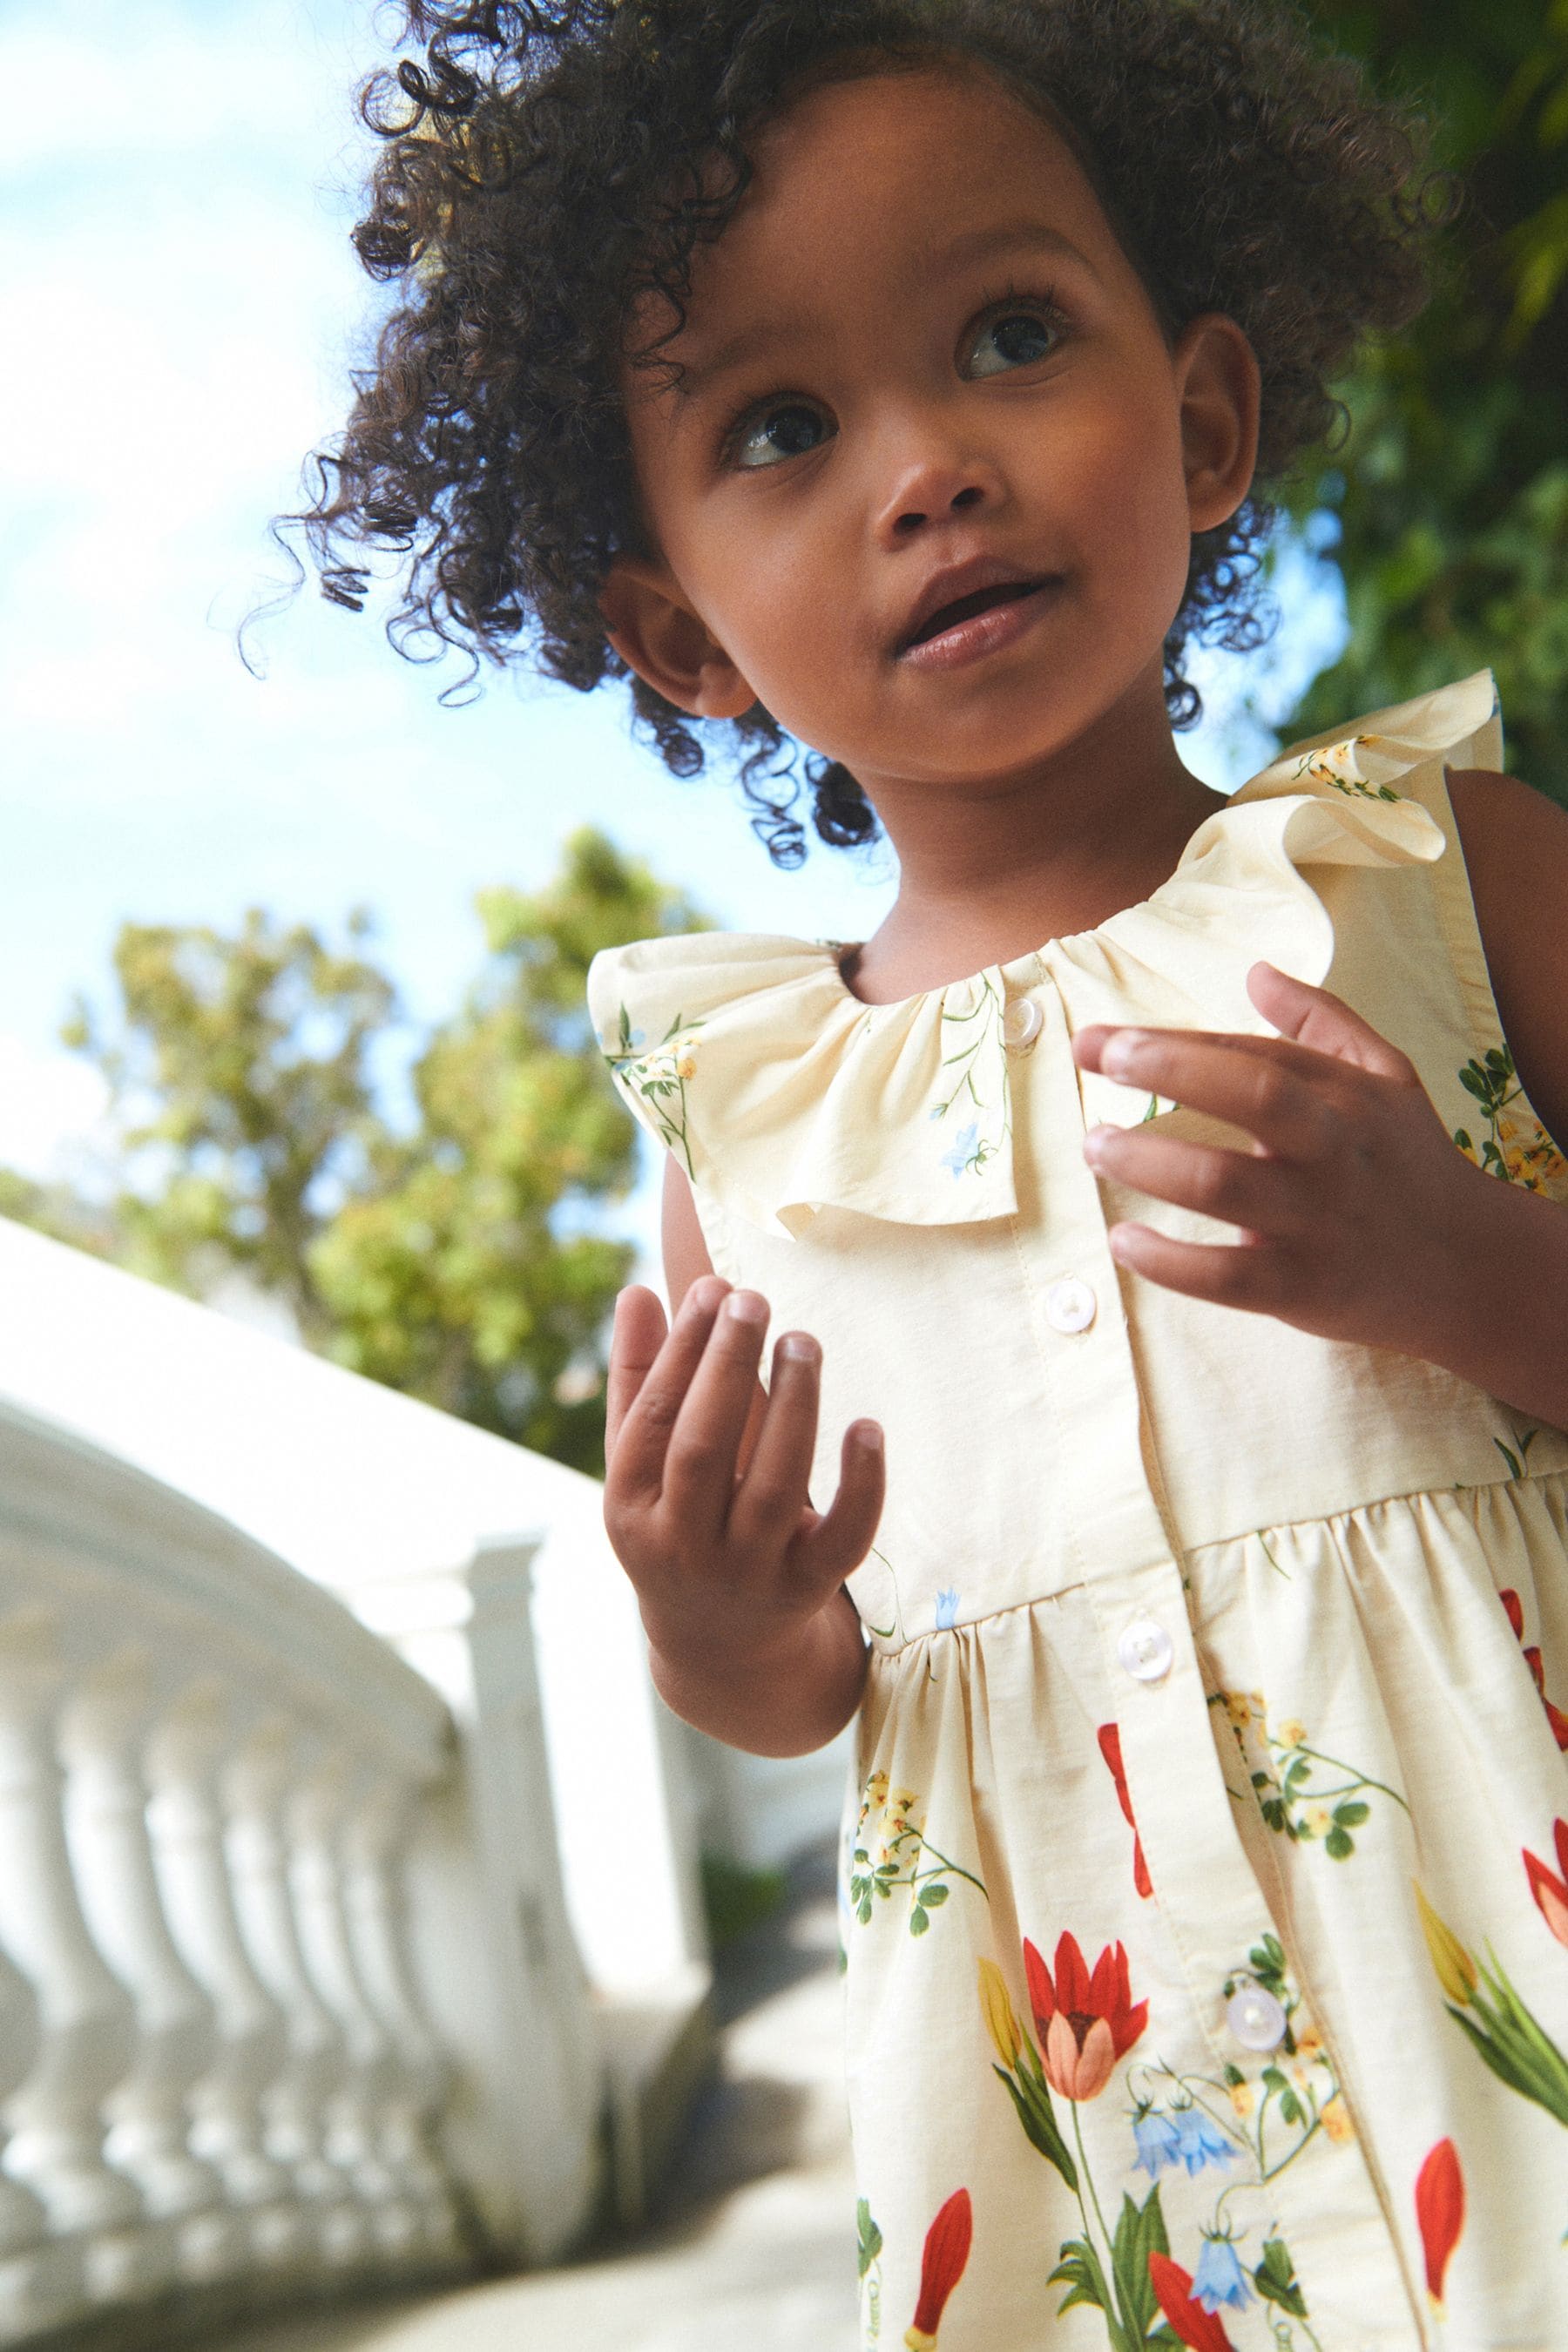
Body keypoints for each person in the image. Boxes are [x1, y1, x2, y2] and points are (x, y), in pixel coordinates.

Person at [302, 3, 1568, 2341]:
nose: (928, 466)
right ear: (684, 633)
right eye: (782, 425)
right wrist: (718, 1614)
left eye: (1008, 334)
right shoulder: (753, 1135)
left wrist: (1479, 1266)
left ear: (1199, 422)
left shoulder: (1442, 882)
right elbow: (809, 1692)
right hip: (1115, 2164)